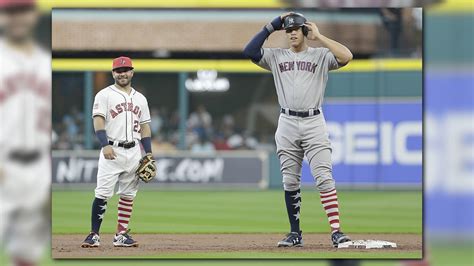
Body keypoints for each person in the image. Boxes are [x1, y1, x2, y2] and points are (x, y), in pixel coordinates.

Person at [243, 12, 353, 247]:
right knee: (290, 181)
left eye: (295, 29)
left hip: (314, 121)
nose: (291, 33)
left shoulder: (321, 55)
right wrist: (271, 27)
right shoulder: (276, 56)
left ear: (305, 31)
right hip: (287, 122)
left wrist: (320, 37)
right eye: (288, 30)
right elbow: (249, 52)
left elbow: (347, 56)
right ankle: (295, 233)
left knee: (324, 177)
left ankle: (336, 231)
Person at [81, 56, 154, 248]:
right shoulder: (104, 95)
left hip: (135, 151)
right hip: (112, 149)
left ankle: (121, 235)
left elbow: (145, 127)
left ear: (132, 72)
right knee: (103, 193)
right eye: (119, 71)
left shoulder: (140, 98)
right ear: (113, 73)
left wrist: (149, 153)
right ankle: (94, 234)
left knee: (128, 195)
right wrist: (104, 144)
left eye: (126, 70)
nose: (122, 74)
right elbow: (98, 120)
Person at [0, 0, 51, 265]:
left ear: (33, 14)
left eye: (21, 10)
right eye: (9, 11)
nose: (15, 17)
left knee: (26, 254)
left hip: (37, 170)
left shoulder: (45, 63)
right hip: (3, 165)